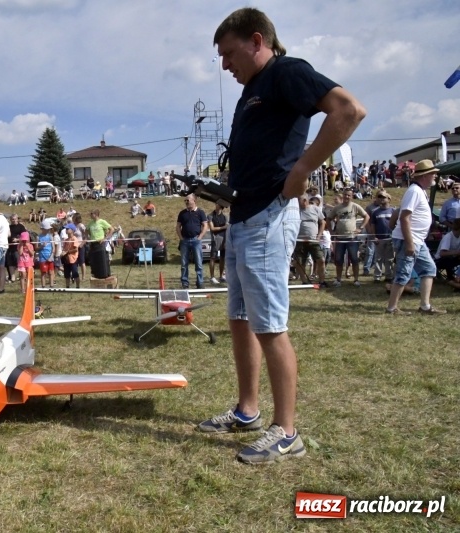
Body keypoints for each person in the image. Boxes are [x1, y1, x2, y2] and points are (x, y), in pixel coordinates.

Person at [197, 7, 366, 465]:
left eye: (229, 54)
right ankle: (248, 410)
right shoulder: (254, 88)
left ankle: (287, 432)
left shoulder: (286, 72)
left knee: (269, 325)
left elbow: (349, 110)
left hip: (269, 217)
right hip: (243, 216)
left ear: (257, 40)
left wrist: (305, 168)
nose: (225, 65)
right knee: (239, 318)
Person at [386, 160, 446, 315]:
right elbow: (404, 217)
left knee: (429, 269)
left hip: (417, 240)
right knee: (403, 273)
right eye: (433, 173)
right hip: (410, 239)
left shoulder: (420, 191)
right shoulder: (414, 191)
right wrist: (409, 244)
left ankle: (425, 306)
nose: (435, 176)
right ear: (425, 175)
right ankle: (391, 308)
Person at [328, 189, 369, 286]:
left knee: (354, 259)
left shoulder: (355, 206)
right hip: (339, 237)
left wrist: (360, 228)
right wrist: (331, 231)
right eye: (345, 195)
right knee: (338, 259)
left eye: (349, 195)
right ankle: (338, 279)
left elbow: (366, 216)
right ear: (343, 196)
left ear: (351, 196)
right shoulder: (337, 208)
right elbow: (328, 218)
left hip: (352, 237)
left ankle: (356, 280)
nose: (347, 197)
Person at [292, 195, 326, 287]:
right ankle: (304, 281)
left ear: (304, 201)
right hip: (300, 241)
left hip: (313, 240)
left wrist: (319, 235)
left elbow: (323, 222)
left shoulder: (315, 209)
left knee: (321, 260)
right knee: (298, 262)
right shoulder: (296, 211)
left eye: (298, 201)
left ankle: (322, 281)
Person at [176, 194, 208, 289]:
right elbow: (178, 226)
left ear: (194, 200)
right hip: (185, 240)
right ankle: (185, 283)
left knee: (198, 263)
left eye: (188, 200)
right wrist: (181, 238)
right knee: (184, 263)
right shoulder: (182, 213)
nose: (186, 202)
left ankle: (200, 282)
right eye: (185, 200)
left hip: (196, 240)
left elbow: (205, 225)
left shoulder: (200, 212)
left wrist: (200, 237)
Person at [367, 191, 395, 282]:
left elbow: (396, 225)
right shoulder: (375, 212)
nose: (381, 199)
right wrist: (374, 236)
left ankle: (388, 276)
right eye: (379, 197)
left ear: (389, 199)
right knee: (378, 258)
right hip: (379, 238)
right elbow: (373, 225)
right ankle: (377, 276)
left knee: (389, 258)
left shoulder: (393, 211)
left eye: (383, 197)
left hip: (390, 238)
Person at [208, 204, 228, 284]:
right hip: (215, 239)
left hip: (224, 239)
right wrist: (223, 227)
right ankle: (212, 277)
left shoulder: (225, 216)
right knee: (213, 257)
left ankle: (221, 276)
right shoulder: (210, 216)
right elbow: (212, 228)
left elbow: (228, 226)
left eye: (218, 204)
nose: (216, 205)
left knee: (222, 258)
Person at [36, 219, 56, 288]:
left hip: (50, 256)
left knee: (51, 272)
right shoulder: (38, 237)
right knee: (43, 272)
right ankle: (43, 286)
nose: (48, 230)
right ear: (42, 229)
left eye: (48, 229)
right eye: (46, 229)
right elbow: (36, 248)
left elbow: (53, 247)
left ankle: (51, 285)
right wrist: (41, 246)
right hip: (42, 257)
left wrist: (51, 256)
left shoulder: (50, 236)